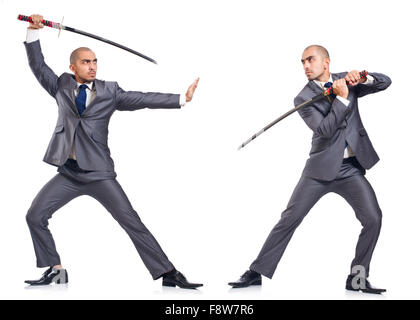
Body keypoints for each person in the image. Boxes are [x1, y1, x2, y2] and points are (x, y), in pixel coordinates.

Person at [23, 14, 202, 289]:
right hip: (68, 173)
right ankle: (56, 270)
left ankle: (168, 273)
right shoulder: (61, 85)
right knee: (35, 216)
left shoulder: (110, 92)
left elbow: (143, 99)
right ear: (73, 67)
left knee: (132, 223)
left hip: (99, 174)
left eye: (95, 61)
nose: (92, 66)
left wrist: (181, 99)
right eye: (86, 62)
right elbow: (38, 66)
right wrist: (34, 32)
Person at [228, 45, 391, 294]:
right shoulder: (302, 98)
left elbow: (385, 82)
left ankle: (357, 277)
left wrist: (363, 77)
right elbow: (324, 130)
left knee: (373, 218)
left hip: (350, 170)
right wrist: (342, 97)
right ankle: (256, 272)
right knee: (289, 219)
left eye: (310, 60)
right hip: (319, 170)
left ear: (326, 62)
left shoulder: (346, 78)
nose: (305, 65)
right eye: (302, 62)